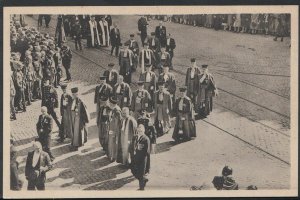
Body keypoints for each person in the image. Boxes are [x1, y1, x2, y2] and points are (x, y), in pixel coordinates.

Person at [130, 124, 150, 190]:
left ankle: (141, 188)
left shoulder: (146, 139)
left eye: (141, 131)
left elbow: (147, 152)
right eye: (139, 131)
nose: (140, 132)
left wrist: (142, 158)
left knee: (141, 173)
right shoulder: (134, 137)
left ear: (144, 131)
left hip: (142, 159)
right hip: (134, 158)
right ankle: (144, 179)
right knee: (133, 170)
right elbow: (131, 146)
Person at [107, 97, 123, 162]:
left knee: (113, 143)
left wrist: (114, 132)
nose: (109, 104)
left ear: (112, 104)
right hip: (111, 129)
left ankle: (113, 157)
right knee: (111, 143)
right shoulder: (114, 109)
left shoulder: (117, 111)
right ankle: (111, 155)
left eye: (109, 103)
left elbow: (117, 123)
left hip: (114, 130)